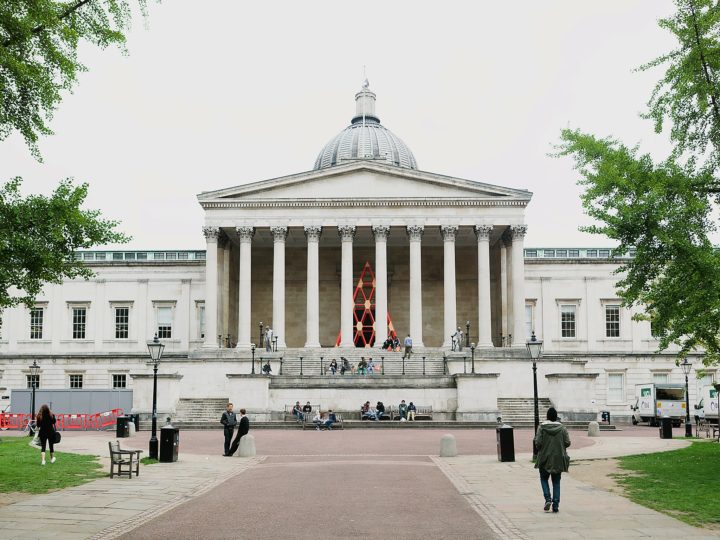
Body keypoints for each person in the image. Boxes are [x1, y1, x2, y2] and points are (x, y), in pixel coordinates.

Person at [534, 407, 571, 513]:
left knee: (544, 479)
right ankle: (555, 504)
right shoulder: (562, 428)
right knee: (556, 482)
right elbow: (567, 442)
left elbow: (538, 443)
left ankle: (547, 499)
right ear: (556, 417)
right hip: (558, 458)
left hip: (544, 457)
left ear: (547, 416)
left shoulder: (541, 428)